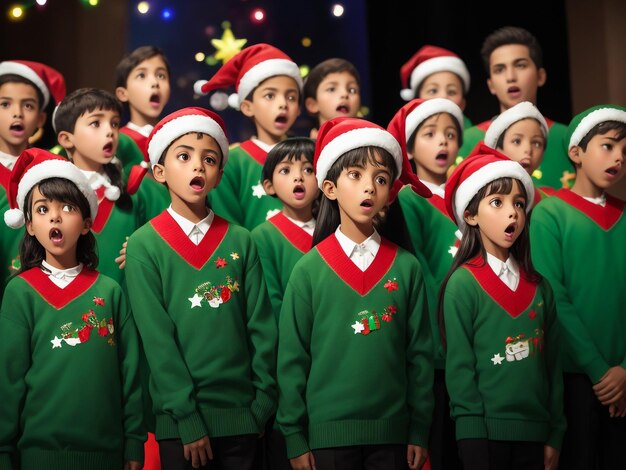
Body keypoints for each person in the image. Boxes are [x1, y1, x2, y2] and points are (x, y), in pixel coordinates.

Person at [276, 117, 434, 470]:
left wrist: (419, 430)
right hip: (327, 439)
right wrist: (294, 436)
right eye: (355, 175)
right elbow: (291, 360)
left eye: (380, 179)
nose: (369, 188)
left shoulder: (406, 267)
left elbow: (419, 357)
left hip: (393, 438)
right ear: (329, 188)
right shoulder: (308, 270)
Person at [124, 107, 277, 470]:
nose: (197, 166)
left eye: (209, 159)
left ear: (220, 174)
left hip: (243, 419)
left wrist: (260, 406)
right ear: (159, 172)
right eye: (184, 156)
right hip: (180, 425)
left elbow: (262, 327)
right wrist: (186, 416)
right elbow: (156, 339)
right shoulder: (145, 244)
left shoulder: (242, 239)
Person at [0, 148, 145, 469]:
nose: (55, 216)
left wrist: (134, 443)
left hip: (108, 453)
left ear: (86, 223)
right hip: (37, 456)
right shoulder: (20, 292)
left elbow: (130, 372)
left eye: (67, 207)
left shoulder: (110, 291)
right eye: (42, 208)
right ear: (28, 225)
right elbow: (8, 381)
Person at [438, 150, 565, 470]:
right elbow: (460, 370)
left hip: (537, 437)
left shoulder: (541, 288)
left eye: (519, 204)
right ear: (471, 216)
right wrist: (471, 438)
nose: (513, 213)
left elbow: (552, 366)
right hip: (483, 439)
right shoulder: (462, 285)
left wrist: (555, 434)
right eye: (497, 202)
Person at [529, 104, 626, 470]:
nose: (618, 157)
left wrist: (623, 371)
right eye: (608, 146)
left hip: (623, 379)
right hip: (574, 377)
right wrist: (600, 371)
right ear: (576, 153)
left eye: (624, 151)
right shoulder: (551, 213)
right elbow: (555, 296)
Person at [387, 97, 464, 470]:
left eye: (450, 134)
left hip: (471, 343)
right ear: (410, 146)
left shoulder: (469, 199)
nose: (443, 143)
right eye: (430, 134)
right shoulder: (408, 198)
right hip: (437, 347)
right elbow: (421, 273)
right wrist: (448, 334)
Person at [250, 137, 318, 470]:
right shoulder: (263, 236)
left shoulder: (335, 231)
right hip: (286, 358)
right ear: (268, 185)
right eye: (286, 170)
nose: (299, 178)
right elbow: (271, 304)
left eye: (309, 169)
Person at [194, 43, 303, 230]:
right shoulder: (232, 162)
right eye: (270, 96)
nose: (283, 104)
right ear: (247, 107)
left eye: (291, 97)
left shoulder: (309, 156)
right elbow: (228, 228)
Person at [459, 26, 572, 190]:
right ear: (490, 85)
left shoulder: (567, 138)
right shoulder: (467, 140)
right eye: (499, 69)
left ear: (540, 76)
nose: (510, 77)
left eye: (520, 65)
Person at [53, 88, 146, 285]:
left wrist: (142, 246)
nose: (110, 131)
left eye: (114, 123)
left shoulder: (132, 192)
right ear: (66, 139)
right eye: (96, 123)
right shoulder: (55, 196)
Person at [0, 60, 66, 299]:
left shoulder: (51, 172)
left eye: (27, 106)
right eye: (5, 104)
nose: (17, 113)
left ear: (40, 119)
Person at [483, 100, 551, 204]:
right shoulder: (484, 196)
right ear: (498, 149)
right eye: (517, 141)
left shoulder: (546, 202)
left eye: (537, 143)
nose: (528, 149)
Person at [115, 45, 171, 163]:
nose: (155, 82)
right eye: (141, 75)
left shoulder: (176, 140)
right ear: (123, 93)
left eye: (161, 75)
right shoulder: (118, 142)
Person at [399, 45, 472, 130]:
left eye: (451, 92)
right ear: (416, 102)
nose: (443, 97)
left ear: (462, 104)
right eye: (433, 91)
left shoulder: (479, 139)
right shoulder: (404, 139)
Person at [302, 58, 361, 139]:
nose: (344, 94)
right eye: (332, 89)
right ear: (312, 104)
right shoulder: (306, 150)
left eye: (352, 90)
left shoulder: (370, 143)